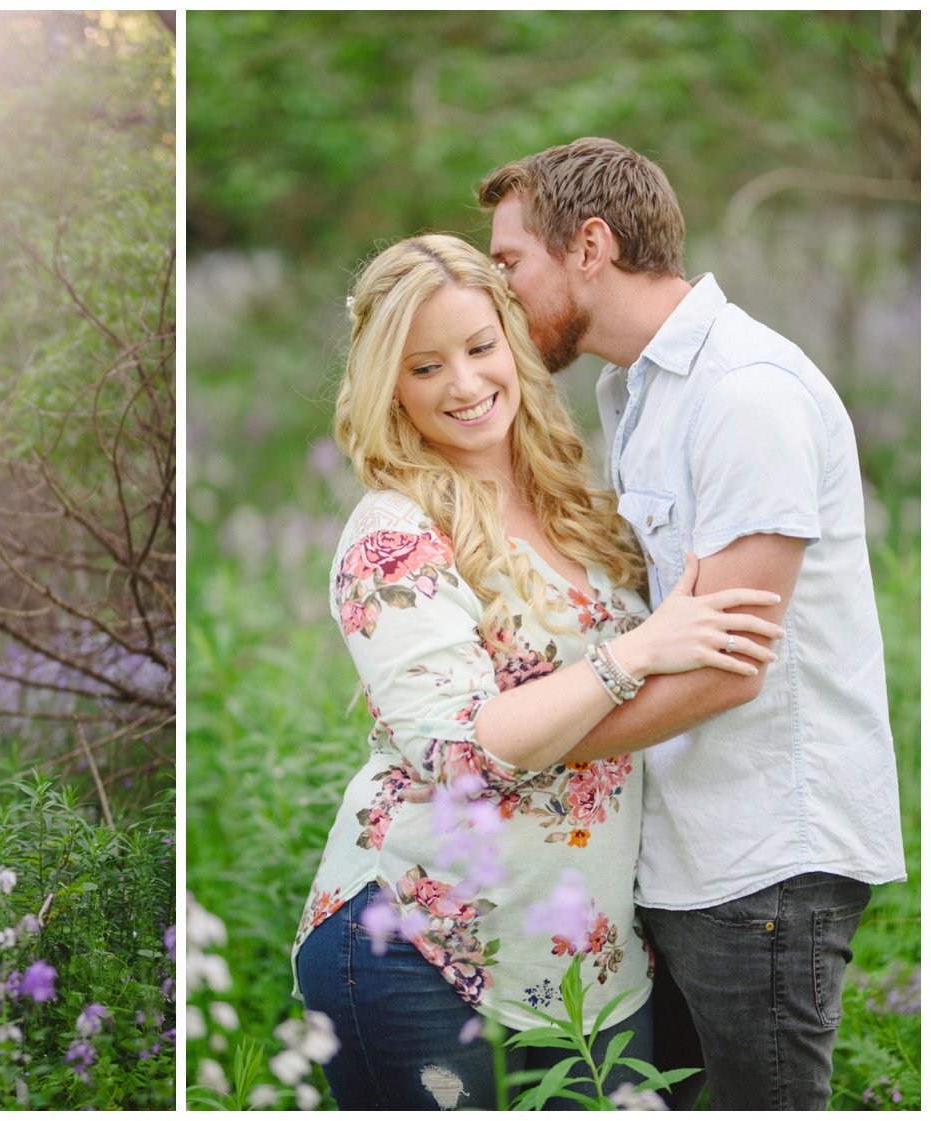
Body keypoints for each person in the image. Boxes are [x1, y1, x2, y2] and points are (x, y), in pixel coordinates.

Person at [291, 234, 783, 1110]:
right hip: (417, 944)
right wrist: (633, 650)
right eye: (425, 366)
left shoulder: (579, 504)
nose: (466, 384)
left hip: (589, 957)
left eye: (480, 348)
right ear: (389, 386)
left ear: (512, 344)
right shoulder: (392, 535)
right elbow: (457, 755)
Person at [479, 137, 906, 1110]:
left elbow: (728, 667)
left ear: (589, 245)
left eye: (510, 264)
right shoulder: (639, 389)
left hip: (763, 865)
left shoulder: (745, 392)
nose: (499, 292)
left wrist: (528, 746)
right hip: (689, 855)